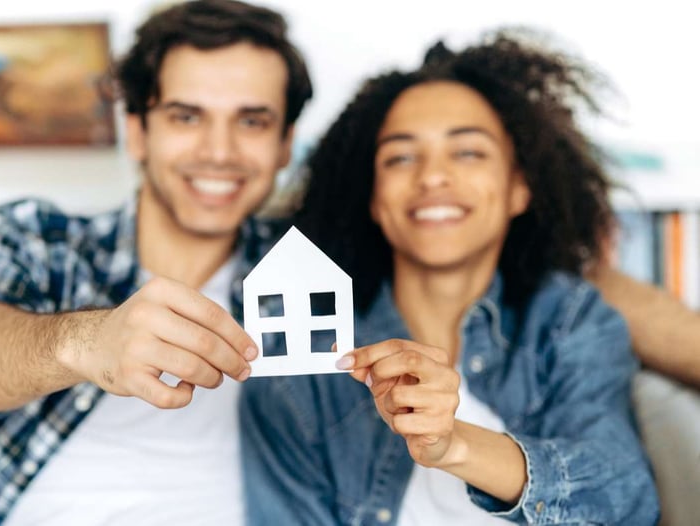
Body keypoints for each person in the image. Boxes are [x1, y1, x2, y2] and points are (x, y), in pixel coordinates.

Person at [241, 29, 659, 525]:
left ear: (519, 190)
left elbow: (626, 497)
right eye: (400, 156)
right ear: (375, 199)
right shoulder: (301, 355)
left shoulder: (570, 322)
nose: (433, 176)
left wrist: (454, 444)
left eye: (468, 152)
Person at [0, 0, 312, 523]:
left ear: (285, 144)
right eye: (187, 116)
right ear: (136, 130)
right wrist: (85, 342)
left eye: (252, 121)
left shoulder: (312, 266)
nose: (220, 151)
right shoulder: (35, 236)